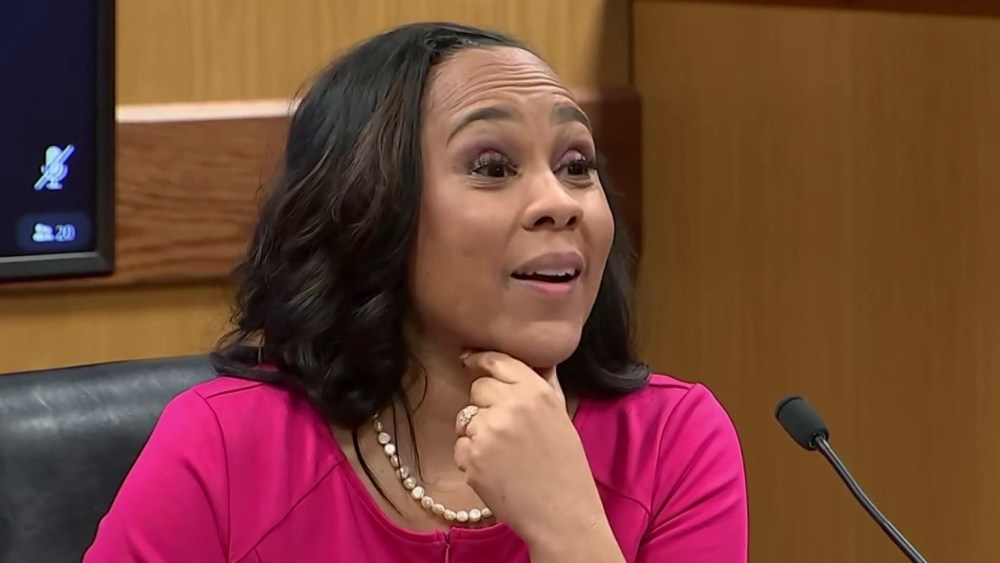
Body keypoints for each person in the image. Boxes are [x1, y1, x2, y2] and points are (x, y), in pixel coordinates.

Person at [84, 22, 748, 563]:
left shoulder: (673, 441)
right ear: (369, 208)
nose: (560, 202)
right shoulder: (227, 446)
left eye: (577, 166)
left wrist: (570, 531)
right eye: (493, 166)